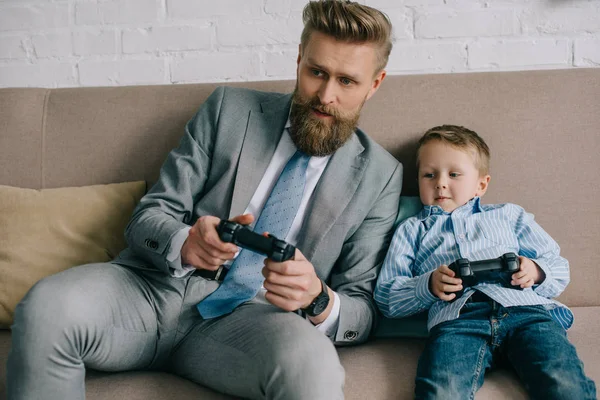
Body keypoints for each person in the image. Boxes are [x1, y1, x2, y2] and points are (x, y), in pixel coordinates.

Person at [7, 1, 402, 399]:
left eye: (347, 81)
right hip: (151, 290)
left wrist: (317, 297)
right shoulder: (228, 109)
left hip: (253, 322)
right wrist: (186, 242)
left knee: (313, 367)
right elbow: (149, 215)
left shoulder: (381, 176)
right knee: (45, 309)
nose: (325, 95)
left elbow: (362, 309)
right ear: (299, 60)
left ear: (375, 83)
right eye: (316, 72)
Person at [374, 125, 596, 399]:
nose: (440, 183)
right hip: (457, 321)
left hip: (526, 313)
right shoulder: (412, 229)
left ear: (481, 184)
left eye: (454, 174)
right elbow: (386, 297)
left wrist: (536, 271)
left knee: (564, 384)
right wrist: (428, 285)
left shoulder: (508, 216)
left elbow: (558, 265)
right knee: (442, 391)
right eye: (429, 174)